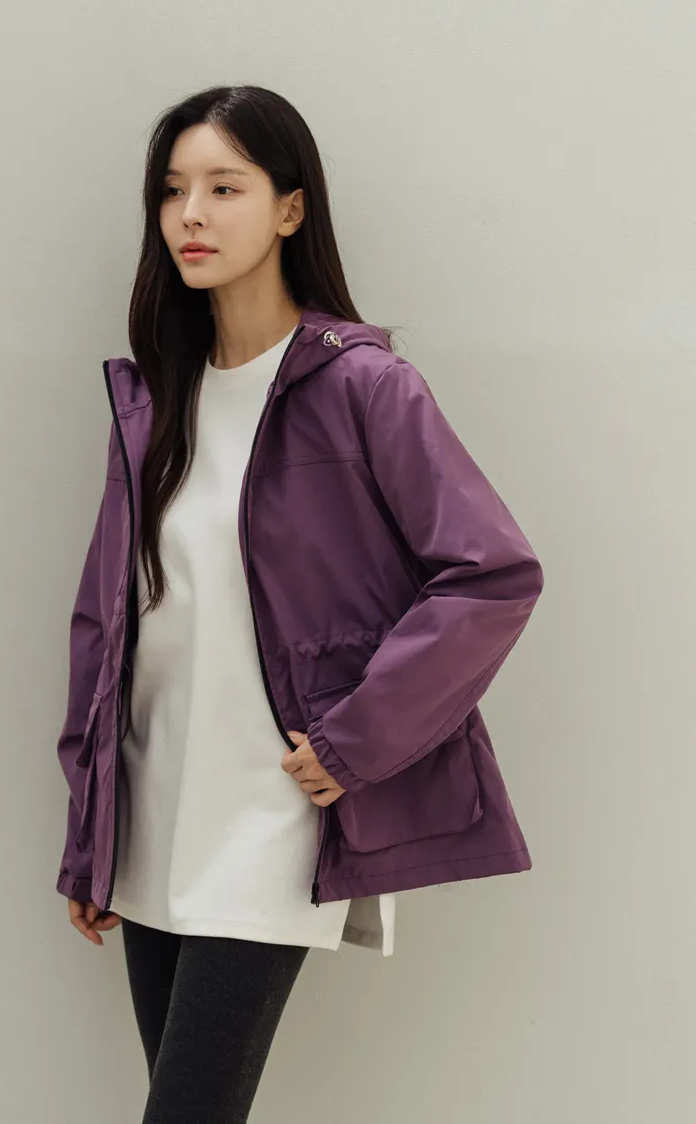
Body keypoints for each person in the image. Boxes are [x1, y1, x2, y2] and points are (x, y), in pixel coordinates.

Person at [55, 84, 545, 1123]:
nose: (191, 214)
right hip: (154, 810)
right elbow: (108, 623)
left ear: (290, 208)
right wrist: (92, 830)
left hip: (275, 816)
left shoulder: (365, 385)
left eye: (224, 187)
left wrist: (354, 741)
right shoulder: (154, 400)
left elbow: (491, 573)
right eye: (173, 190)